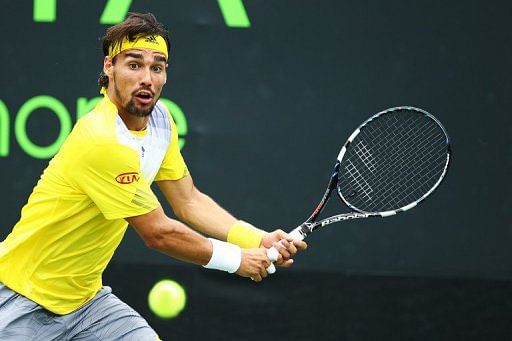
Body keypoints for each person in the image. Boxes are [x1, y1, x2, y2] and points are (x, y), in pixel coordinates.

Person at [0, 12, 306, 340]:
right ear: (109, 68)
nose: (147, 78)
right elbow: (158, 233)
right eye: (134, 65)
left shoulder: (161, 121)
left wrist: (256, 239)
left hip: (86, 304)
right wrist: (236, 260)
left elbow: (188, 201)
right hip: (23, 298)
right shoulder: (102, 139)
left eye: (157, 67)